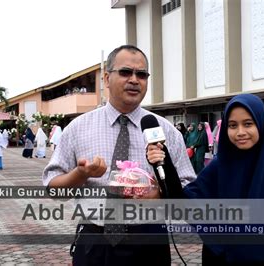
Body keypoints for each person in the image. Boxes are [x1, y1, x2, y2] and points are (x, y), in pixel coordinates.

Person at [42, 45, 195, 266]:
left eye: (141, 74)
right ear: (106, 78)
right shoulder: (78, 128)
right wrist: (80, 174)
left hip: (150, 241)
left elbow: (188, 188)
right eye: (125, 72)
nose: (134, 80)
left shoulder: (165, 131)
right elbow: (53, 190)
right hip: (95, 240)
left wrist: (158, 195)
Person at [149, 94, 264, 265]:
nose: (240, 132)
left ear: (262, 124)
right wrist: (164, 163)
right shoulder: (219, 167)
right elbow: (184, 204)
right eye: (232, 125)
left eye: (248, 124)